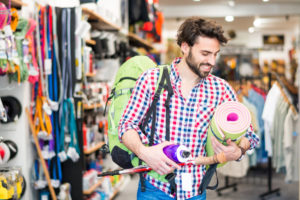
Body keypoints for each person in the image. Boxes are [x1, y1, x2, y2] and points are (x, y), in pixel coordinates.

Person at [118, 17, 260, 200]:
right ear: (185, 47)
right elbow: (126, 125)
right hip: (155, 190)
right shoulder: (152, 80)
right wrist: (144, 152)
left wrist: (239, 150)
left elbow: (249, 134)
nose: (212, 61)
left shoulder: (221, 89)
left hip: (196, 192)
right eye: (205, 53)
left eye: (215, 54)